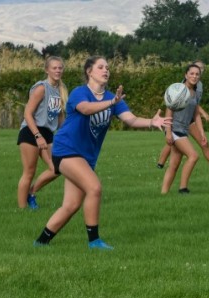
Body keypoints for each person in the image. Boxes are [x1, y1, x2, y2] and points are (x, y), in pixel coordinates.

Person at [34, 56, 172, 249]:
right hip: (66, 149)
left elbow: (130, 120)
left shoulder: (111, 98)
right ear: (89, 72)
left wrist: (151, 122)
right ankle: (94, 242)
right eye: (100, 67)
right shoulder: (80, 92)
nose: (106, 70)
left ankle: (40, 243)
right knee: (94, 188)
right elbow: (85, 108)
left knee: (71, 205)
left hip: (86, 156)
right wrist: (111, 103)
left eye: (107, 67)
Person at [17, 56, 68, 210]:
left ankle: (31, 193)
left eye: (60, 68)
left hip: (47, 133)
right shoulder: (41, 88)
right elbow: (27, 113)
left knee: (56, 168)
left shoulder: (61, 90)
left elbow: (60, 118)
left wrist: (70, 134)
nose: (58, 70)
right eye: (54, 68)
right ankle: (21, 210)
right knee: (29, 172)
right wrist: (37, 136)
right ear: (47, 70)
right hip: (31, 131)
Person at [156, 60, 209, 169]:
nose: (197, 73)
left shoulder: (199, 86)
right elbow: (177, 103)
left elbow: (194, 104)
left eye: (201, 69)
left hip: (190, 119)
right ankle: (160, 164)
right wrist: (168, 130)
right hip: (180, 121)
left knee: (202, 142)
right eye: (194, 71)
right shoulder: (184, 85)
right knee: (173, 143)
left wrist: (201, 115)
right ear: (187, 74)